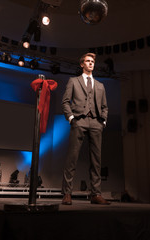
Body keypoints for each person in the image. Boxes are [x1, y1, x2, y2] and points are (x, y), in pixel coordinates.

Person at [61, 53, 110, 205]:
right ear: (82, 64)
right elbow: (65, 101)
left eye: (92, 62)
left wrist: (103, 121)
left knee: (96, 160)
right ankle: (67, 193)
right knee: (72, 158)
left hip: (96, 123)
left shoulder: (100, 85)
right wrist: (71, 118)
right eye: (88, 61)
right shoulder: (73, 81)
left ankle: (96, 194)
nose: (91, 63)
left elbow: (104, 107)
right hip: (79, 121)